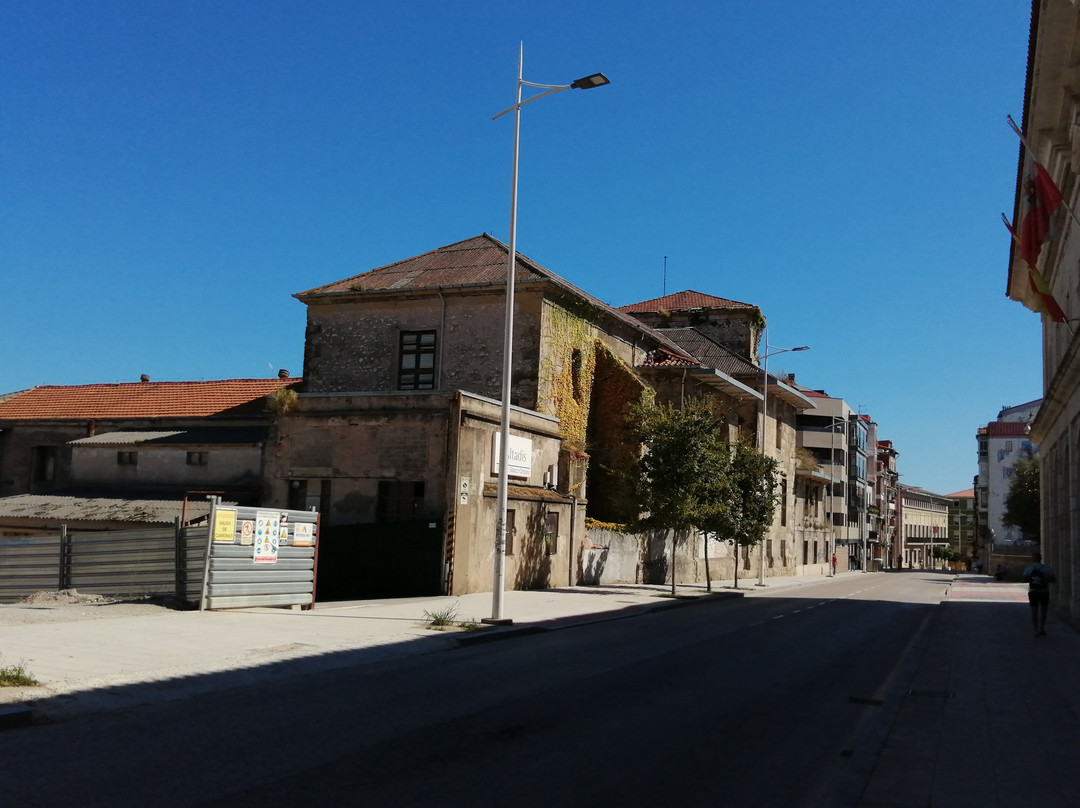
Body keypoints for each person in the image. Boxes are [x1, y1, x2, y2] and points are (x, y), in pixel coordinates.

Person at [1022, 552, 1057, 637]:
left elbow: (1024, 579)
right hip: (1044, 591)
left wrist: (1033, 579)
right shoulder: (1047, 568)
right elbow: (1054, 580)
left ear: (1033, 559)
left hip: (1033, 591)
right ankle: (1042, 628)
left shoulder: (1029, 568)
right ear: (1041, 558)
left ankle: (1035, 629)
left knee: (1034, 611)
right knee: (1044, 611)